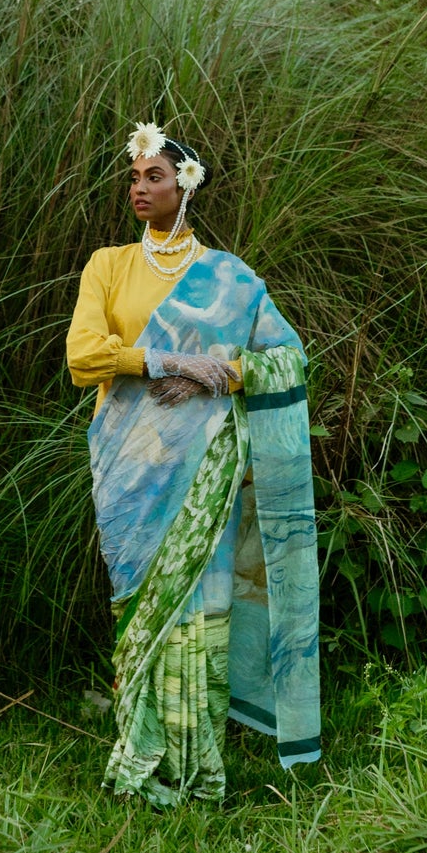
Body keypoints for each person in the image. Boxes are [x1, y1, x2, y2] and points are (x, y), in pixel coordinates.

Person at [66, 123, 320, 804]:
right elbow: (83, 355)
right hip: (126, 466)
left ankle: (196, 758)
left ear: (186, 183)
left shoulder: (231, 277)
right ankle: (139, 745)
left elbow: (289, 358)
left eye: (154, 176)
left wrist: (222, 375)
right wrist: (167, 359)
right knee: (135, 600)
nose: (139, 187)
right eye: (133, 177)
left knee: (199, 603)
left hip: (204, 467)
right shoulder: (107, 265)